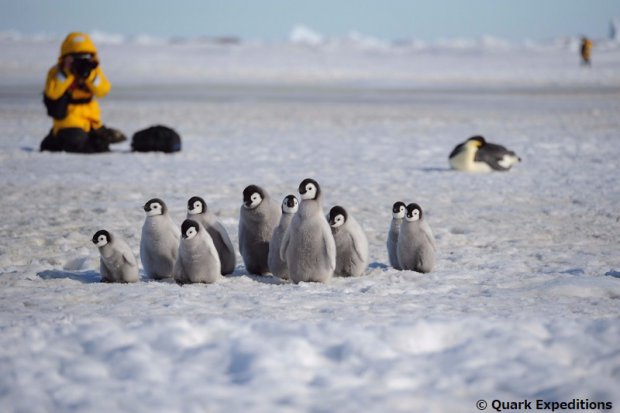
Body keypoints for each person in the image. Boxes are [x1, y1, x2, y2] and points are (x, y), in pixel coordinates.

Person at [40, 32, 126, 153]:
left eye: (85, 57)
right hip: (68, 120)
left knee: (102, 143)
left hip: (91, 120)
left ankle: (59, 138)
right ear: (65, 57)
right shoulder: (57, 72)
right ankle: (55, 139)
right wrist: (67, 73)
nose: (81, 62)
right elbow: (52, 93)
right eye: (76, 57)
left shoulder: (92, 71)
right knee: (79, 143)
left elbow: (103, 91)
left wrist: (90, 76)